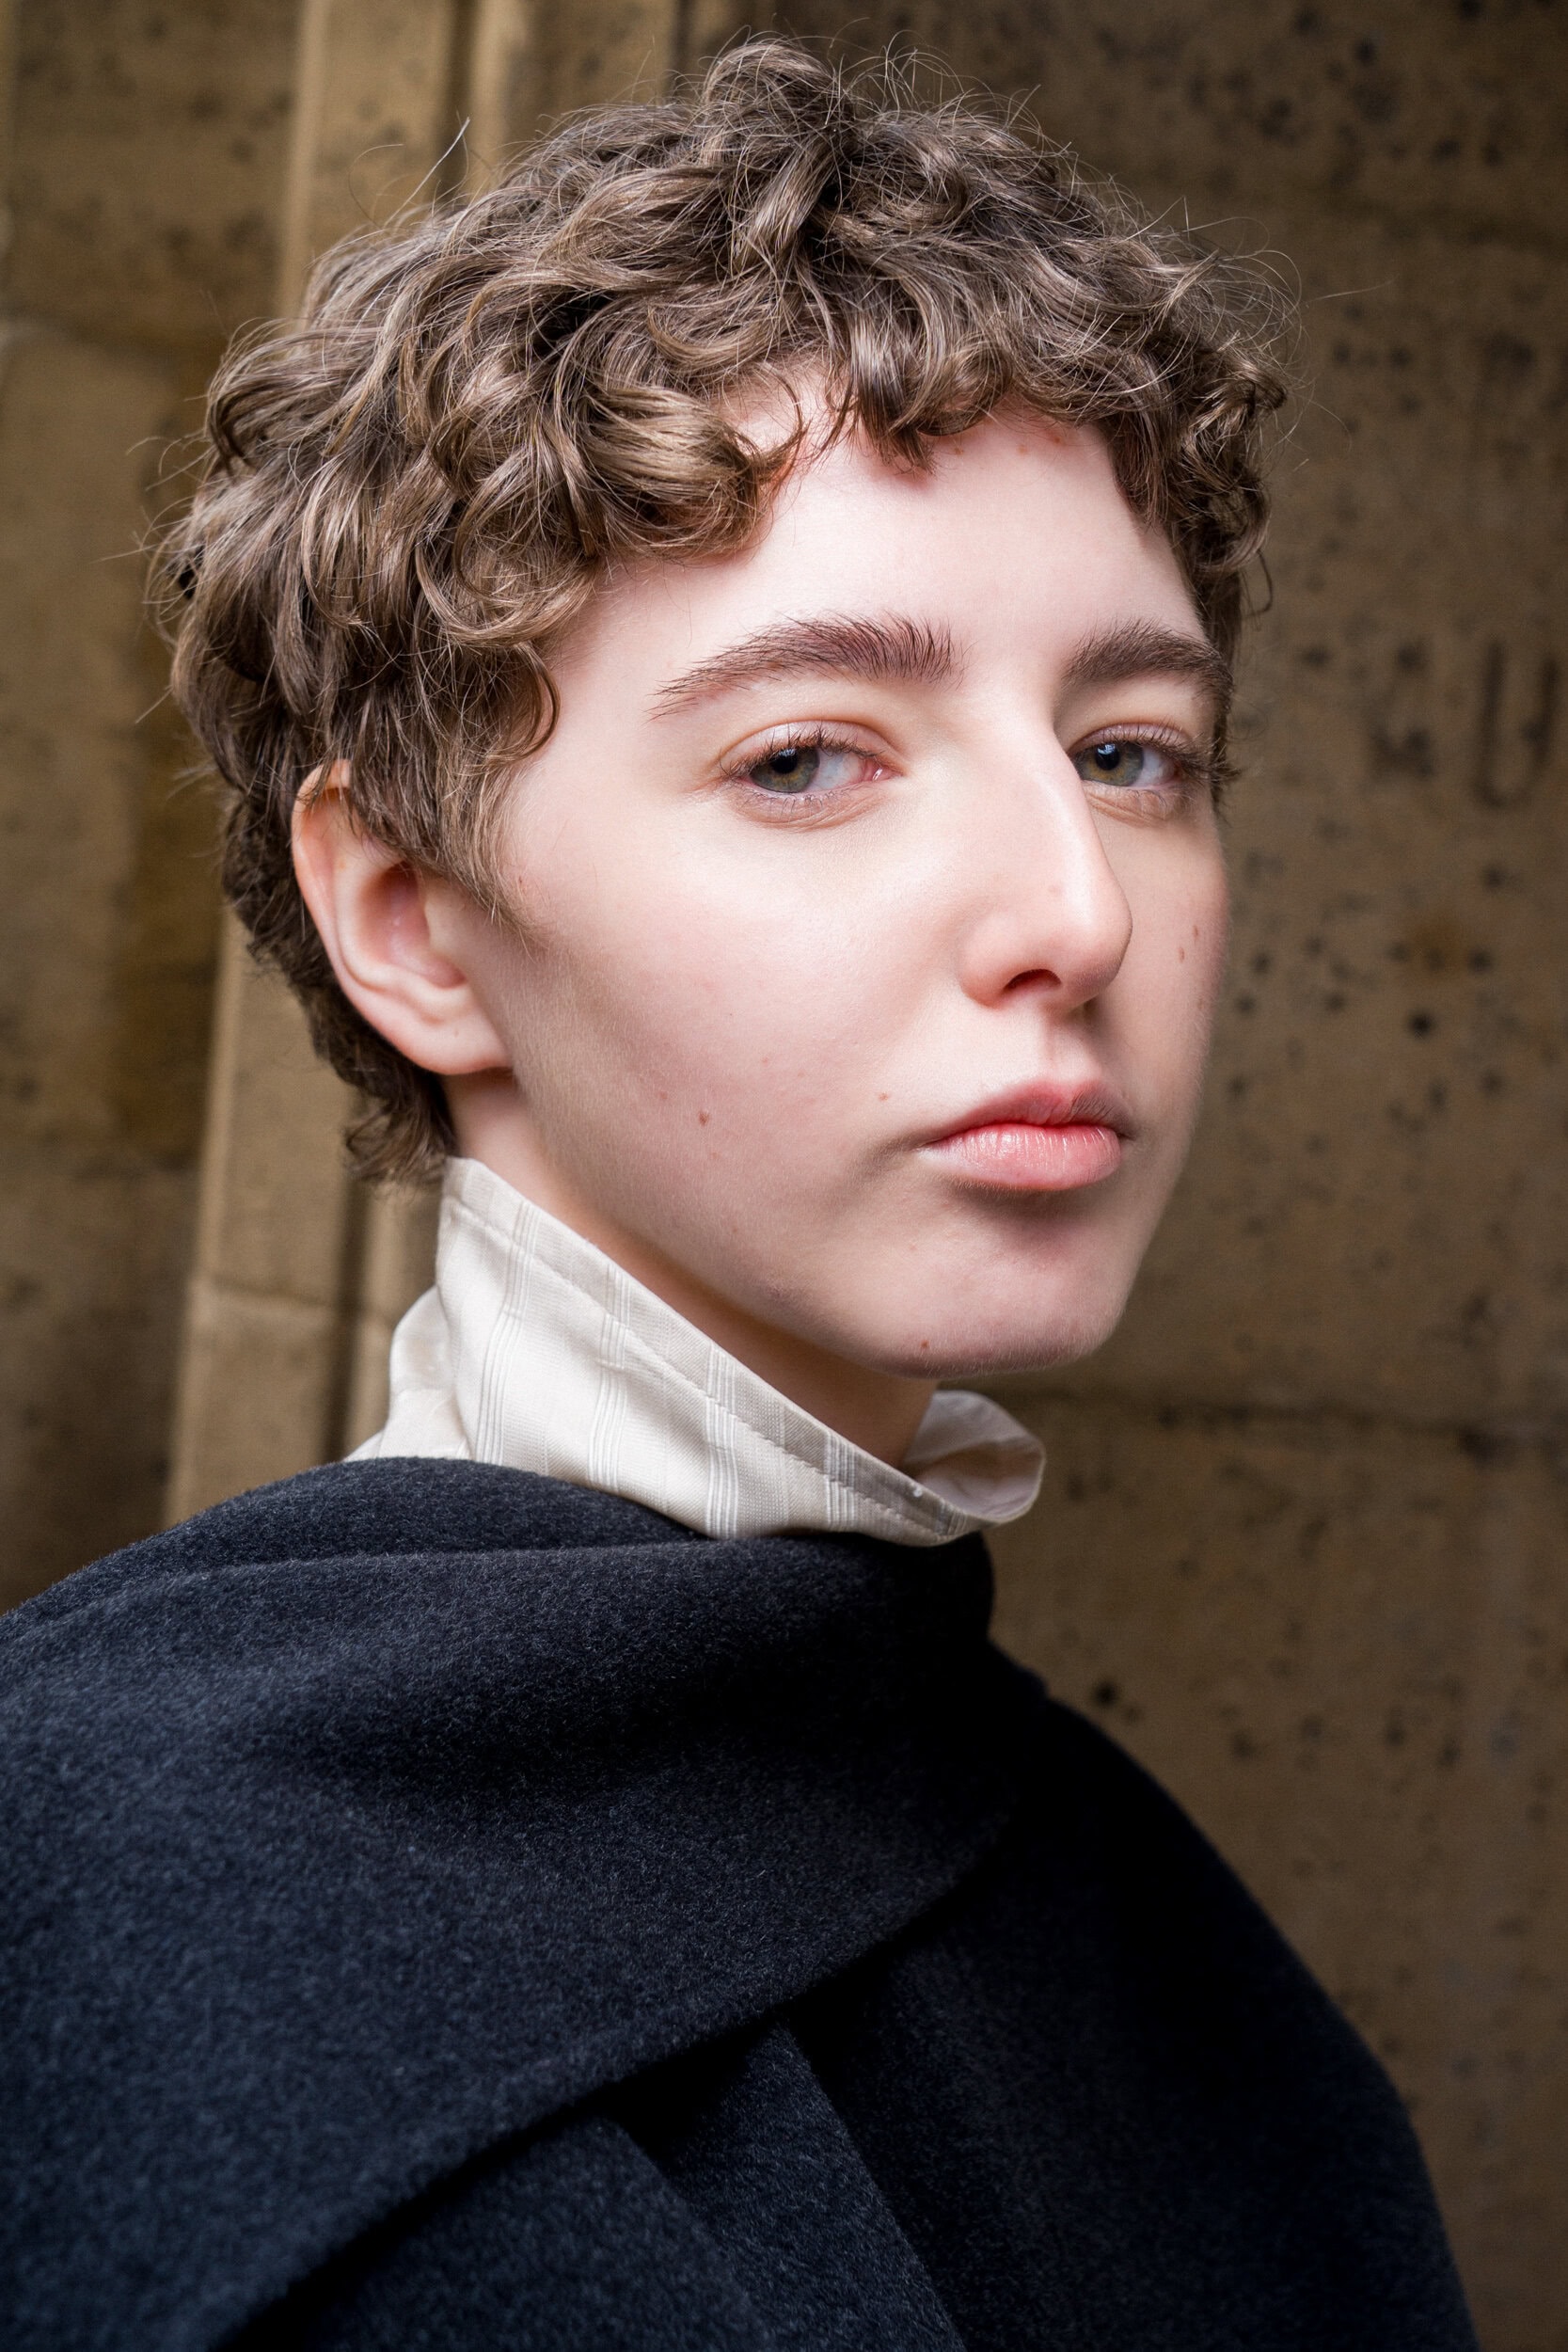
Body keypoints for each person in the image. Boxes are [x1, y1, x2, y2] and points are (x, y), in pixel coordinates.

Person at [0, 40, 1477, 2351]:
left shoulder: (1192, 1980)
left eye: (1133, 750)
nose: (1078, 908)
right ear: (411, 917)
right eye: (807, 758)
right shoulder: (95, 1871)